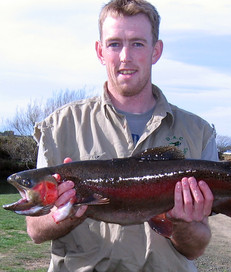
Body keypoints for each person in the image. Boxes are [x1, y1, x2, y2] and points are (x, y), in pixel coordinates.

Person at [26, 0, 219, 271]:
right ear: (100, 51)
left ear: (156, 50)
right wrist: (69, 212)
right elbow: (35, 229)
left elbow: (195, 248)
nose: (125, 56)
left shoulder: (198, 132)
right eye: (115, 43)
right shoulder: (59, 127)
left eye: (137, 43)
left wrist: (183, 222)